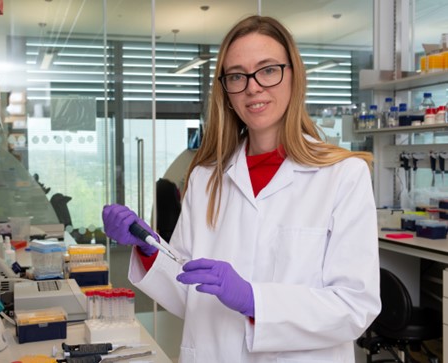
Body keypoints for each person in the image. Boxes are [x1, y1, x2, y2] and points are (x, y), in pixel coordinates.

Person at [102, 15, 380, 362]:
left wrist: (255, 300)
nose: (252, 87)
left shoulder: (343, 175)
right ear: (226, 91)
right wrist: (149, 250)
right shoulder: (206, 178)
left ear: (293, 75)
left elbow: (355, 307)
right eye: (237, 75)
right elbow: (188, 295)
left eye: (268, 70)